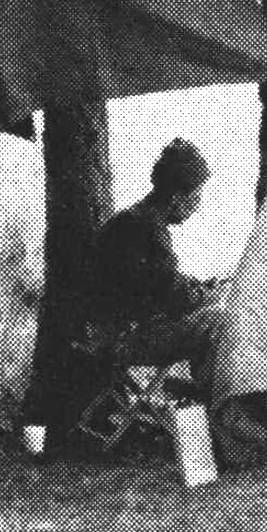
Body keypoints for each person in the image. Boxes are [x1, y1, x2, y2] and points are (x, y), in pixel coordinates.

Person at [82, 138, 225, 395]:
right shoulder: (147, 227)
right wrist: (207, 294)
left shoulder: (133, 220)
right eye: (196, 196)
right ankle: (219, 399)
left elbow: (155, 282)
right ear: (177, 197)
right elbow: (172, 297)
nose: (198, 205)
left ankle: (203, 391)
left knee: (212, 315)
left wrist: (197, 286)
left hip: (107, 333)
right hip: (122, 338)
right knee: (220, 319)